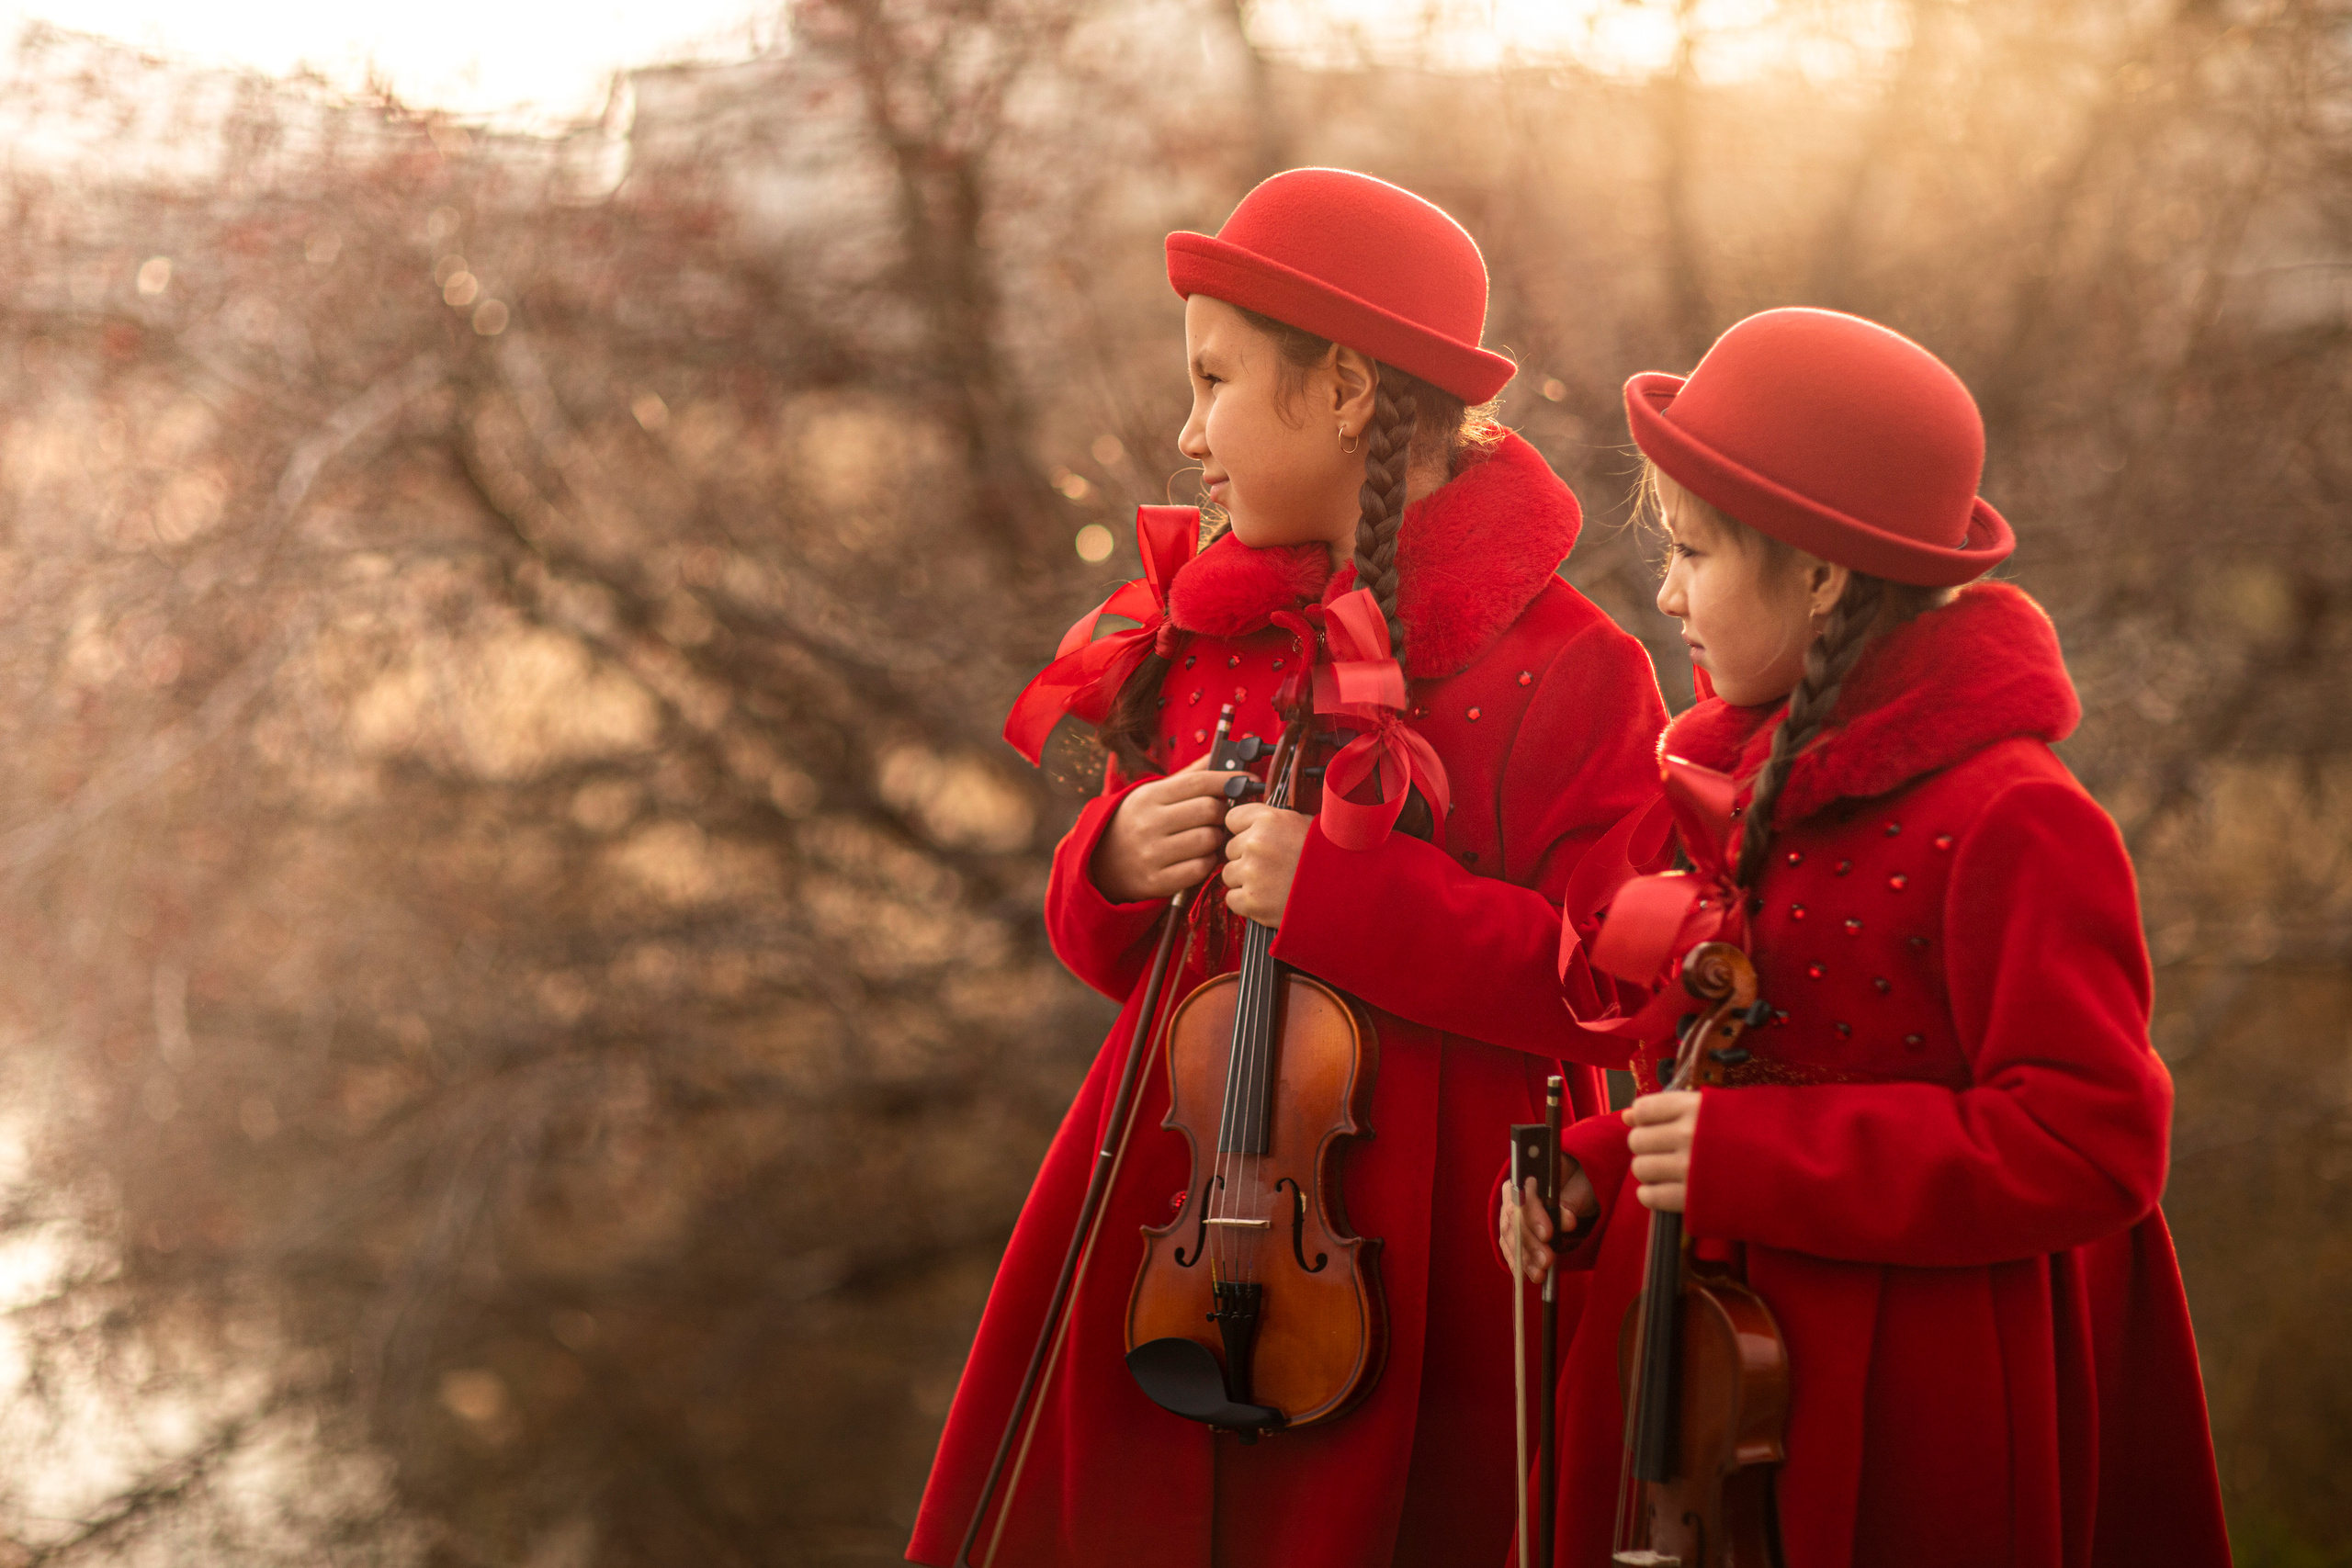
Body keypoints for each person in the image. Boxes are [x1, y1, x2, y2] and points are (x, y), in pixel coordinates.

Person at [907, 168, 1668, 1568]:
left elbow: (1618, 984)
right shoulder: (1220, 628)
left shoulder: (1573, 668)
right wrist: (1113, 863)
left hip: (1434, 1248)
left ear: (1346, 391)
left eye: (1216, 384)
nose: (1188, 436)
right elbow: (1127, 964)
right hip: (1175, 1233)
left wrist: (1351, 899)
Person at [1500, 307, 2231, 1567]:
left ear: (1824, 577)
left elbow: (2093, 1144)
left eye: (1690, 553)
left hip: (1909, 1386)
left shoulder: (2011, 818)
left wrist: (1752, 1158)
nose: (1664, 593)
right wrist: (1605, 1161)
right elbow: (1733, 1071)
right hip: (1695, 1364)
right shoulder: (1738, 777)